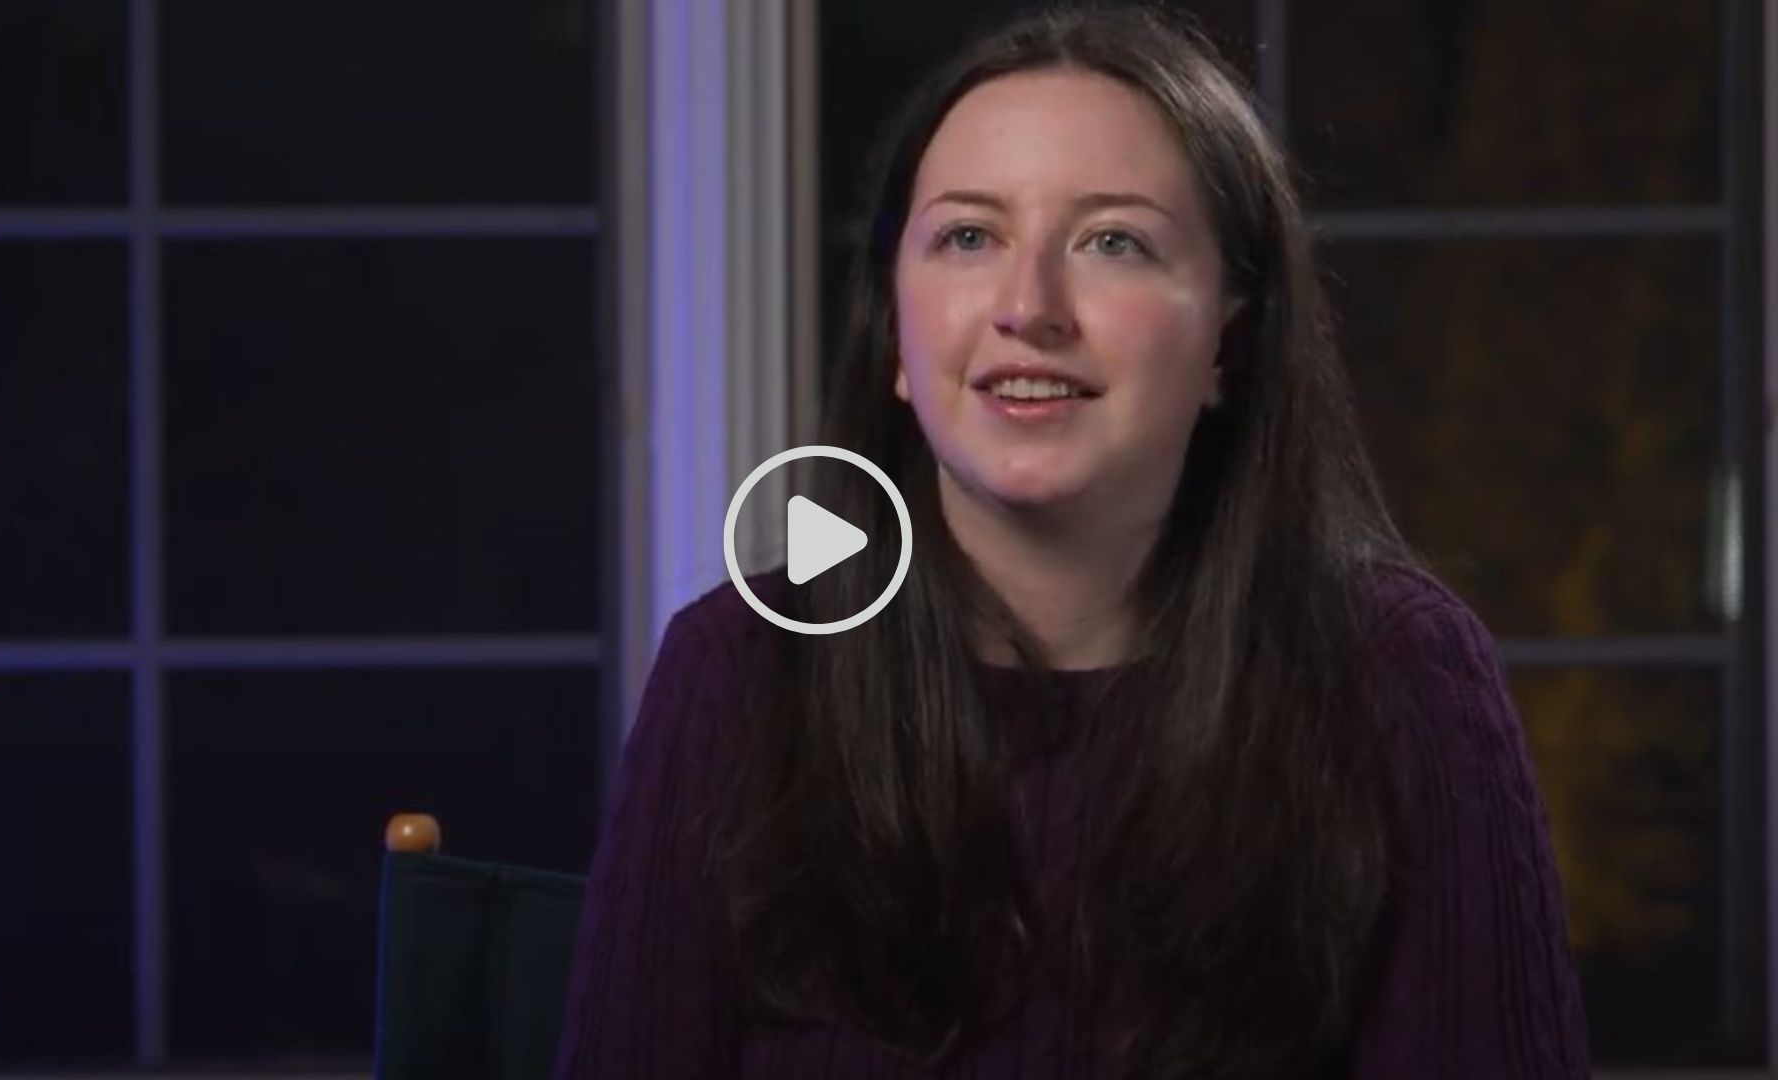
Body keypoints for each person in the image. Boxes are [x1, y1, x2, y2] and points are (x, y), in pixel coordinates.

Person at [553, 6, 1591, 1078]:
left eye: (1113, 242)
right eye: (968, 236)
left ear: (1229, 340)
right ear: (900, 339)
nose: (1029, 306)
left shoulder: (1402, 680)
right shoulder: (739, 669)